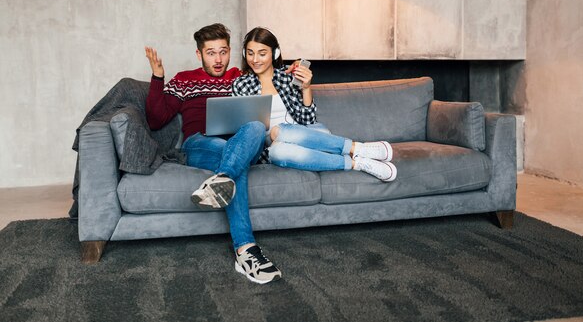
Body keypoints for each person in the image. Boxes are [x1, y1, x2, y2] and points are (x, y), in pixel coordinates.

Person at [144, 23, 281, 284]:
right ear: (199, 55)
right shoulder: (185, 79)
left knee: (254, 126)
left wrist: (294, 73)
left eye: (223, 52)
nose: (218, 60)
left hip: (243, 145)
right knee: (228, 154)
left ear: (230, 51)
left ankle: (223, 178)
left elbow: (270, 71)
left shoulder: (241, 77)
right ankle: (246, 250)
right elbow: (155, 119)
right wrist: (158, 77)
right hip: (200, 144)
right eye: (210, 53)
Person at [232, 27, 397, 181]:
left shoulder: (289, 76)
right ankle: (357, 162)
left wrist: (306, 88)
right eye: (250, 53)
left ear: (275, 54)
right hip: (270, 146)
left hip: (311, 135)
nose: (255, 60)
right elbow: (244, 129)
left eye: (262, 53)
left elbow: (309, 121)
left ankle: (357, 148)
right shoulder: (241, 84)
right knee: (277, 151)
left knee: (278, 131)